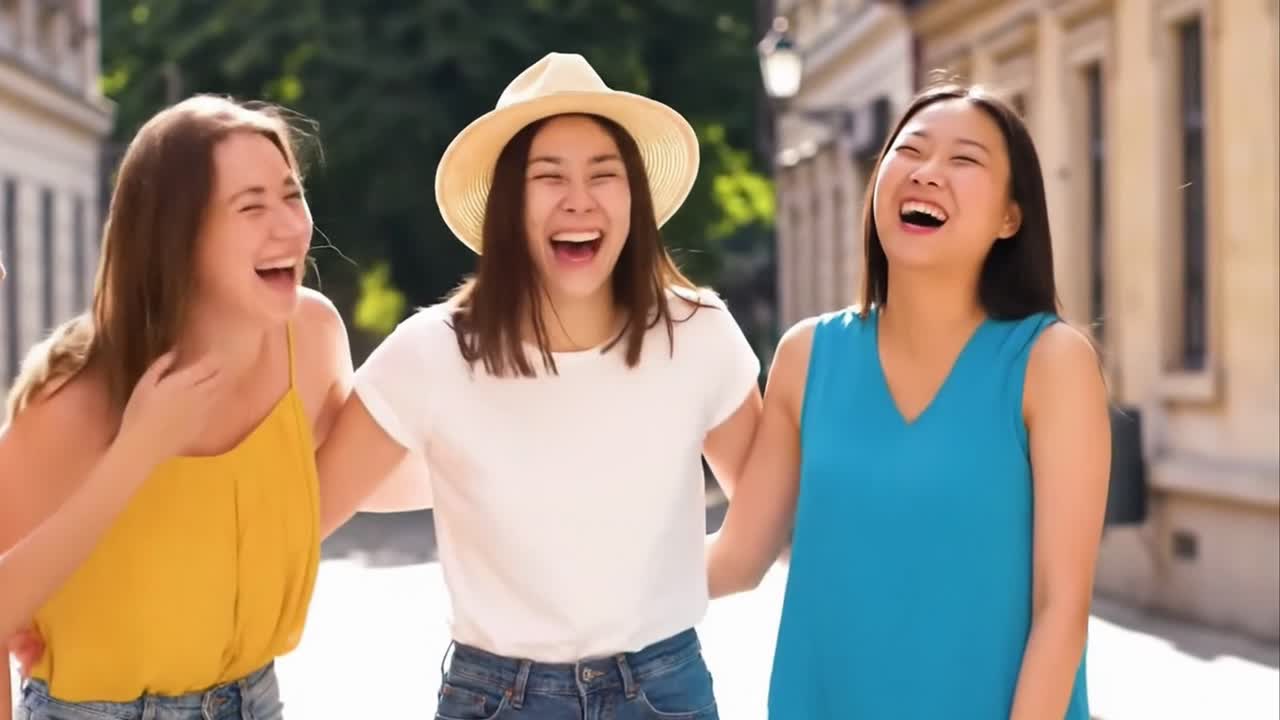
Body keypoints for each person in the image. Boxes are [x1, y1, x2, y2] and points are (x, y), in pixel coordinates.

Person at [315, 52, 761, 719]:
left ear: (634, 197)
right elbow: (302, 510)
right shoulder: (433, 351)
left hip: (664, 692)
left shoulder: (698, 335)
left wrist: (639, 593)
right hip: (497, 698)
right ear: (506, 205)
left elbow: (761, 530)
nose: (578, 198)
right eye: (547, 176)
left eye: (604, 175)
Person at [707, 82, 1110, 719]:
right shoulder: (807, 356)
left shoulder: (1049, 362)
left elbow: (1062, 609)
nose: (927, 173)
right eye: (910, 151)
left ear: (1011, 217)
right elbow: (736, 558)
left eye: (965, 160)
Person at [0, 95, 356, 719]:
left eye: (291, 195)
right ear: (177, 235)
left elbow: (326, 496)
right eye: (251, 206)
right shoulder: (70, 402)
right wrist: (136, 453)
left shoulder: (311, 338)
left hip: (254, 699)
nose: (290, 226)